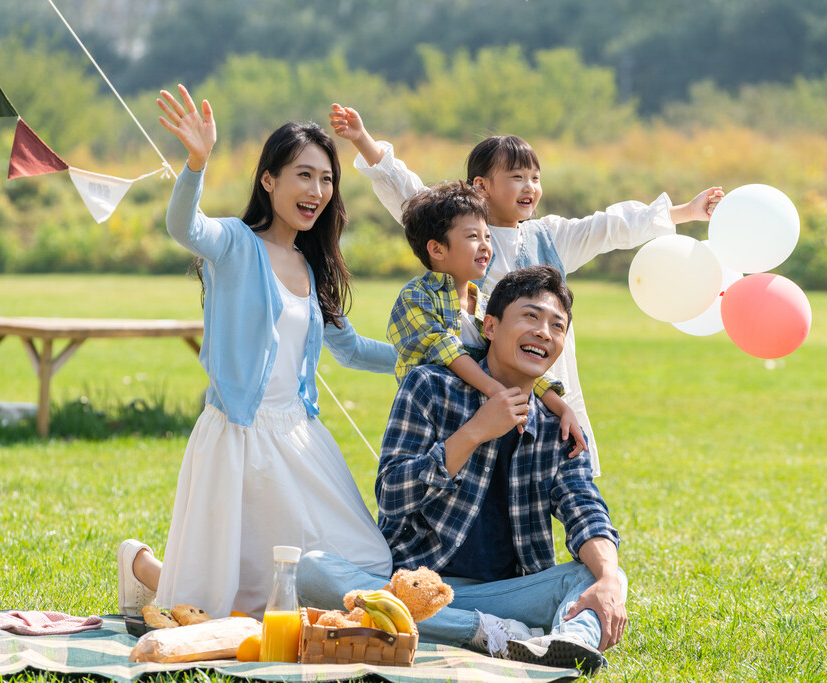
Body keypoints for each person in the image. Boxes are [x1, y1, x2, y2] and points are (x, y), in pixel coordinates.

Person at [116, 85, 395, 620]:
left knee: (366, 565)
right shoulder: (235, 245)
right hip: (238, 437)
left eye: (327, 178)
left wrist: (429, 356)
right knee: (226, 604)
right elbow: (184, 227)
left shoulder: (311, 268)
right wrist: (196, 163)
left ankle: (145, 568)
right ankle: (141, 567)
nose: (317, 189)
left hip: (300, 437)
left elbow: (352, 349)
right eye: (304, 174)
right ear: (269, 181)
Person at [329, 103, 723, 477]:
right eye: (516, 177)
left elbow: (609, 226)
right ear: (481, 186)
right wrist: (363, 139)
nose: (529, 186)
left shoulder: (551, 235)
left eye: (535, 177)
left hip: (545, 375)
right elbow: (410, 195)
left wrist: (685, 212)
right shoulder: (459, 233)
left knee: (557, 464)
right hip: (482, 387)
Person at [297, 266, 625, 675]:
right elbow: (392, 493)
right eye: (530, 316)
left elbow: (585, 507)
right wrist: (473, 434)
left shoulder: (558, 425)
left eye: (556, 326)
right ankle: (489, 633)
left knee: (599, 572)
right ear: (490, 325)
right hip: (416, 589)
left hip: (507, 594)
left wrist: (608, 579)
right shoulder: (429, 387)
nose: (544, 332)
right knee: (312, 571)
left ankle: (568, 645)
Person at [389, 179, 585, 454]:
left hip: (479, 415)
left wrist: (562, 407)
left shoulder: (482, 305)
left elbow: (510, 360)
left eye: (487, 237)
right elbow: (446, 351)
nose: (484, 246)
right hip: (434, 418)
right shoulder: (417, 296)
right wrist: (497, 392)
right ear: (437, 249)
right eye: (472, 237)